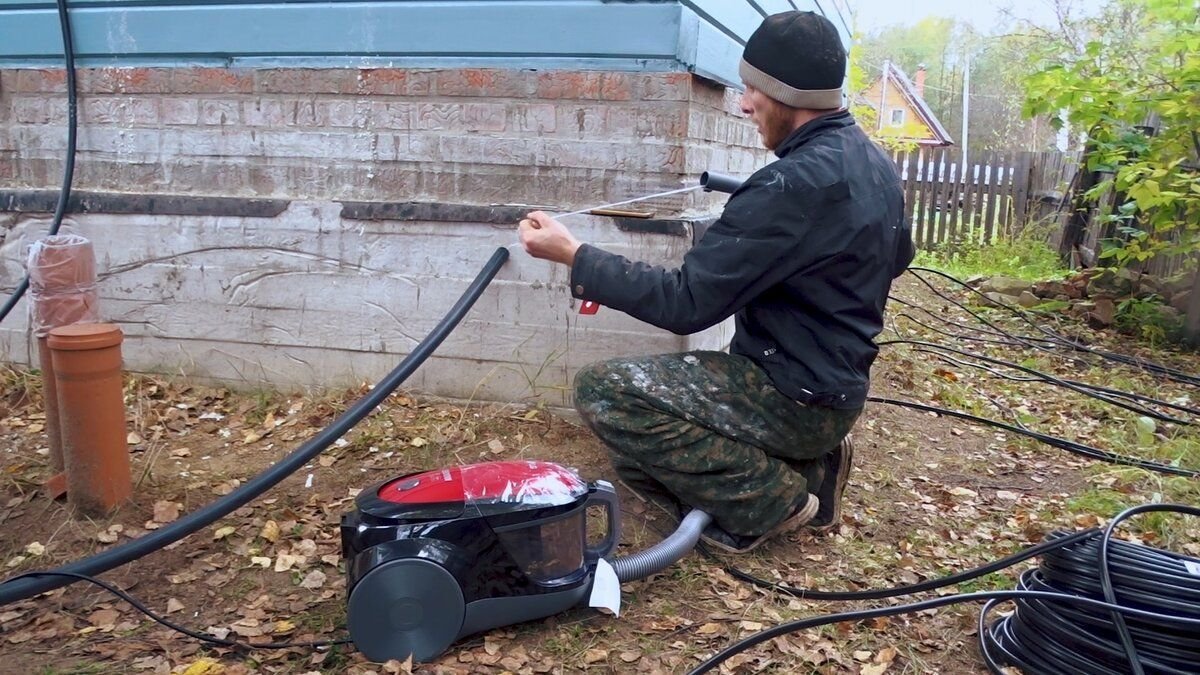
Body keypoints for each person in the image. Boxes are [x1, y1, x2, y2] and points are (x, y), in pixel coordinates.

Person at [518, 10, 914, 553]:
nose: (744, 103)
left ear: (786, 95)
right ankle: (814, 461)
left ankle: (776, 498)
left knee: (607, 392)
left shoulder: (790, 186)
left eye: (752, 90)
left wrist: (574, 255)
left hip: (793, 396)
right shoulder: (872, 161)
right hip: (835, 388)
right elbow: (899, 256)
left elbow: (684, 304)